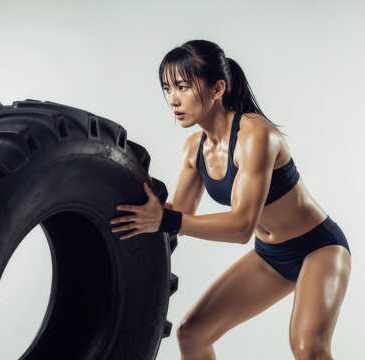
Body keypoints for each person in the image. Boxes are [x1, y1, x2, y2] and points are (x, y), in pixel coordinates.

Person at [108, 39, 352, 360]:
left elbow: (241, 227)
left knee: (307, 348)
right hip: (271, 256)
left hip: (319, 248)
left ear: (217, 89)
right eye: (167, 89)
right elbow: (177, 217)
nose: (173, 99)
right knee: (192, 334)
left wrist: (166, 219)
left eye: (182, 87)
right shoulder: (194, 149)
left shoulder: (256, 137)